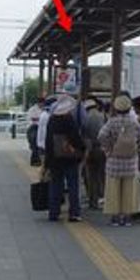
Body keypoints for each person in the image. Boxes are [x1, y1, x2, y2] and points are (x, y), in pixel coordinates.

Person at [98, 94, 140, 226]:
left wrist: (108, 149)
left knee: (113, 190)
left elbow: (101, 136)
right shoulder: (135, 123)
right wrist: (139, 159)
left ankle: (115, 217)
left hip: (114, 162)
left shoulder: (112, 122)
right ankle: (127, 217)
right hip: (130, 163)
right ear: (129, 108)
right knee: (130, 190)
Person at [43, 94, 86, 222]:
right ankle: (74, 213)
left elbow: (48, 142)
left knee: (55, 185)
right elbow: (76, 139)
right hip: (70, 158)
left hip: (55, 159)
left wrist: (47, 161)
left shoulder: (52, 120)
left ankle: (53, 212)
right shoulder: (69, 119)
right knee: (73, 185)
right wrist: (82, 149)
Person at [81, 97, 107, 210]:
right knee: (103, 175)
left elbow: (84, 135)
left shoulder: (85, 117)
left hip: (90, 149)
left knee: (91, 177)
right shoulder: (102, 116)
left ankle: (93, 202)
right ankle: (105, 199)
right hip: (102, 149)